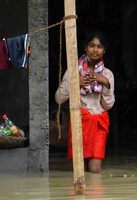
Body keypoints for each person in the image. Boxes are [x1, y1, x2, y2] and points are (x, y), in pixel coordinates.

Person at [55, 31, 114, 174]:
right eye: (92, 45)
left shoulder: (107, 74)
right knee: (79, 167)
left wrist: (105, 84)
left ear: (104, 50)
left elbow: (108, 105)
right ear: (85, 48)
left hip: (99, 122)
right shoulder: (73, 71)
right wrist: (76, 84)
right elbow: (58, 98)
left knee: (95, 169)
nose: (95, 50)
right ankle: (81, 197)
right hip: (79, 121)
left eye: (99, 46)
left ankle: (95, 195)